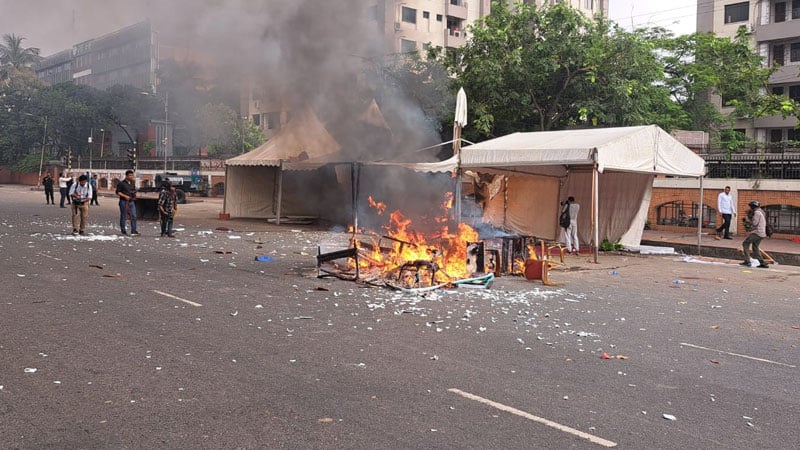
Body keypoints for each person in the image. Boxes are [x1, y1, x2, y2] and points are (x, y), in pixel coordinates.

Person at [741, 200, 769, 268]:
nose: (750, 208)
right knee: (755, 247)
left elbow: (755, 223)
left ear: (753, 207)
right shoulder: (761, 211)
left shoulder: (757, 212)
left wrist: (748, 220)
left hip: (757, 232)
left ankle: (747, 261)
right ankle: (762, 262)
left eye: (751, 207)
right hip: (762, 233)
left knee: (745, 243)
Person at [115, 170, 140, 236]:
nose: (131, 177)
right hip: (123, 201)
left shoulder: (132, 183)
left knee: (134, 215)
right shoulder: (121, 183)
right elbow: (118, 192)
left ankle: (133, 230)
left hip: (131, 201)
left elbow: (133, 190)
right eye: (130, 175)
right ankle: (123, 230)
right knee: (124, 215)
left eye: (132, 175)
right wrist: (125, 196)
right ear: (127, 176)